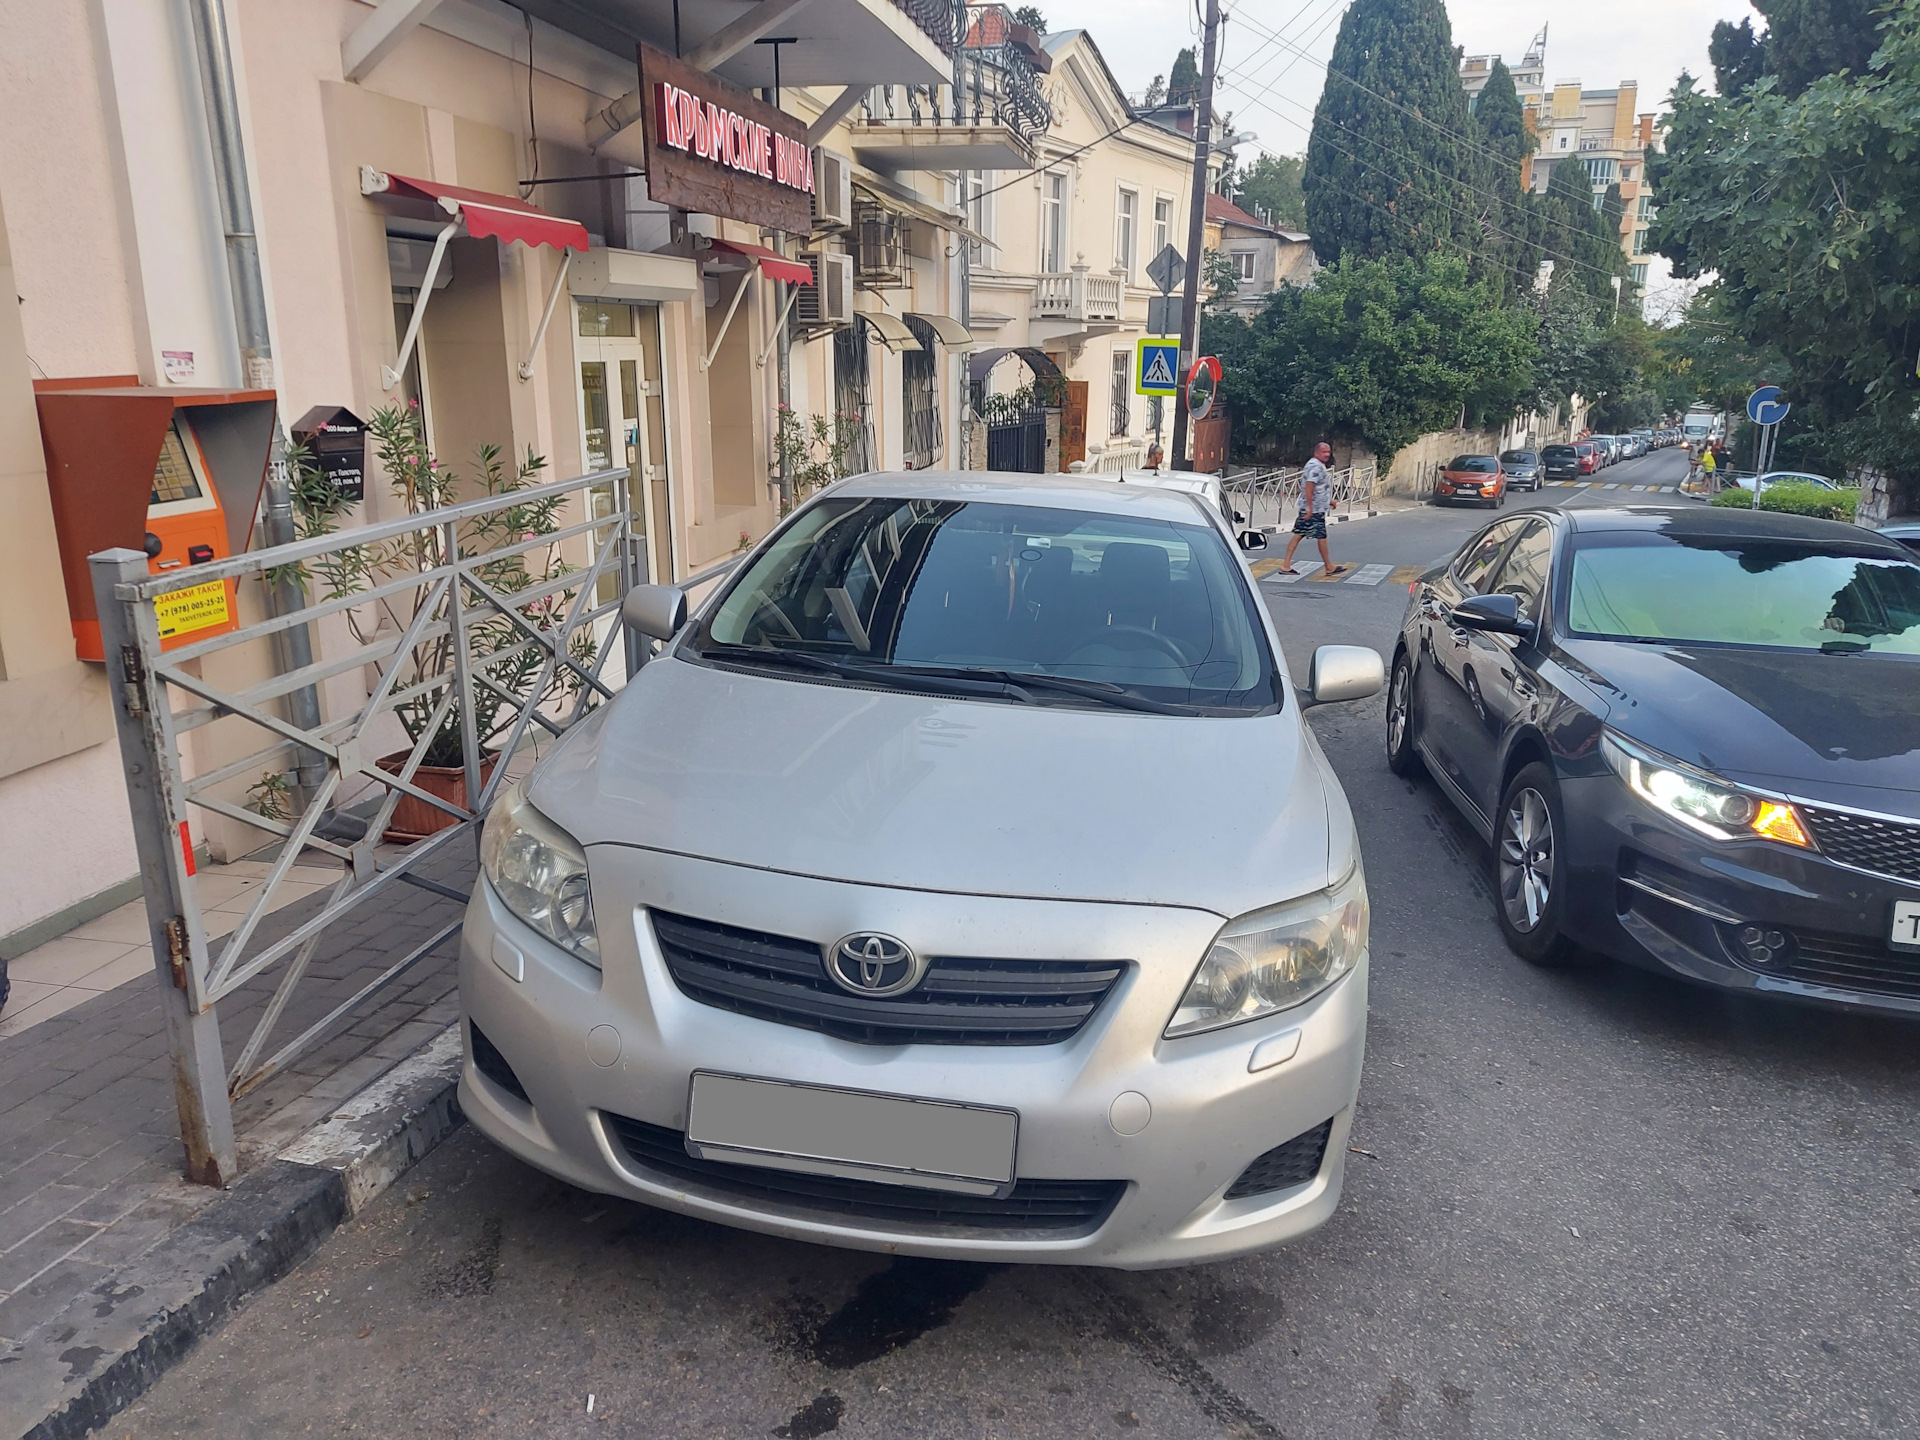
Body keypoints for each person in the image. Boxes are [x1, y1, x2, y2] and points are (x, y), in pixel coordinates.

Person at [1278, 440, 1346, 577]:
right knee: (1320, 536)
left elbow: (1318, 488)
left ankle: (1286, 565)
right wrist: (1310, 508)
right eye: (1324, 452)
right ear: (1316, 452)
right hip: (1313, 510)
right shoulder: (1315, 466)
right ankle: (1329, 567)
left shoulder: (1316, 465)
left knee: (1299, 534)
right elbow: (1309, 486)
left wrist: (1329, 501)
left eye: (1328, 452)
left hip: (1314, 508)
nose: (1327, 454)